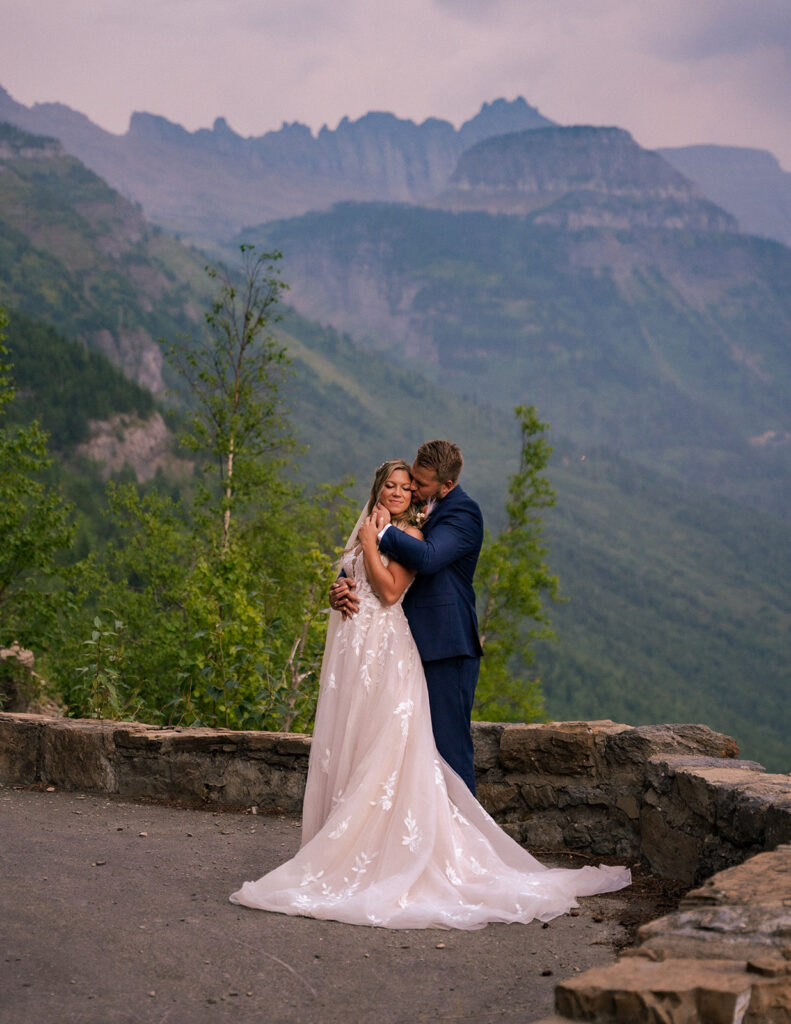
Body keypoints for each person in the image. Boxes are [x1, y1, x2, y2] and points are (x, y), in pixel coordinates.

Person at [229, 458, 630, 929]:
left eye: (409, 486)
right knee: (354, 747)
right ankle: (346, 845)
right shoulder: (383, 525)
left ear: (431, 488)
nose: (403, 491)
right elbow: (352, 578)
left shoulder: (416, 531)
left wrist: (371, 538)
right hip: (356, 657)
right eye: (394, 485)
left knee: (406, 752)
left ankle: (431, 853)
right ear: (378, 489)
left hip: (400, 650)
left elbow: (394, 588)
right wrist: (338, 587)